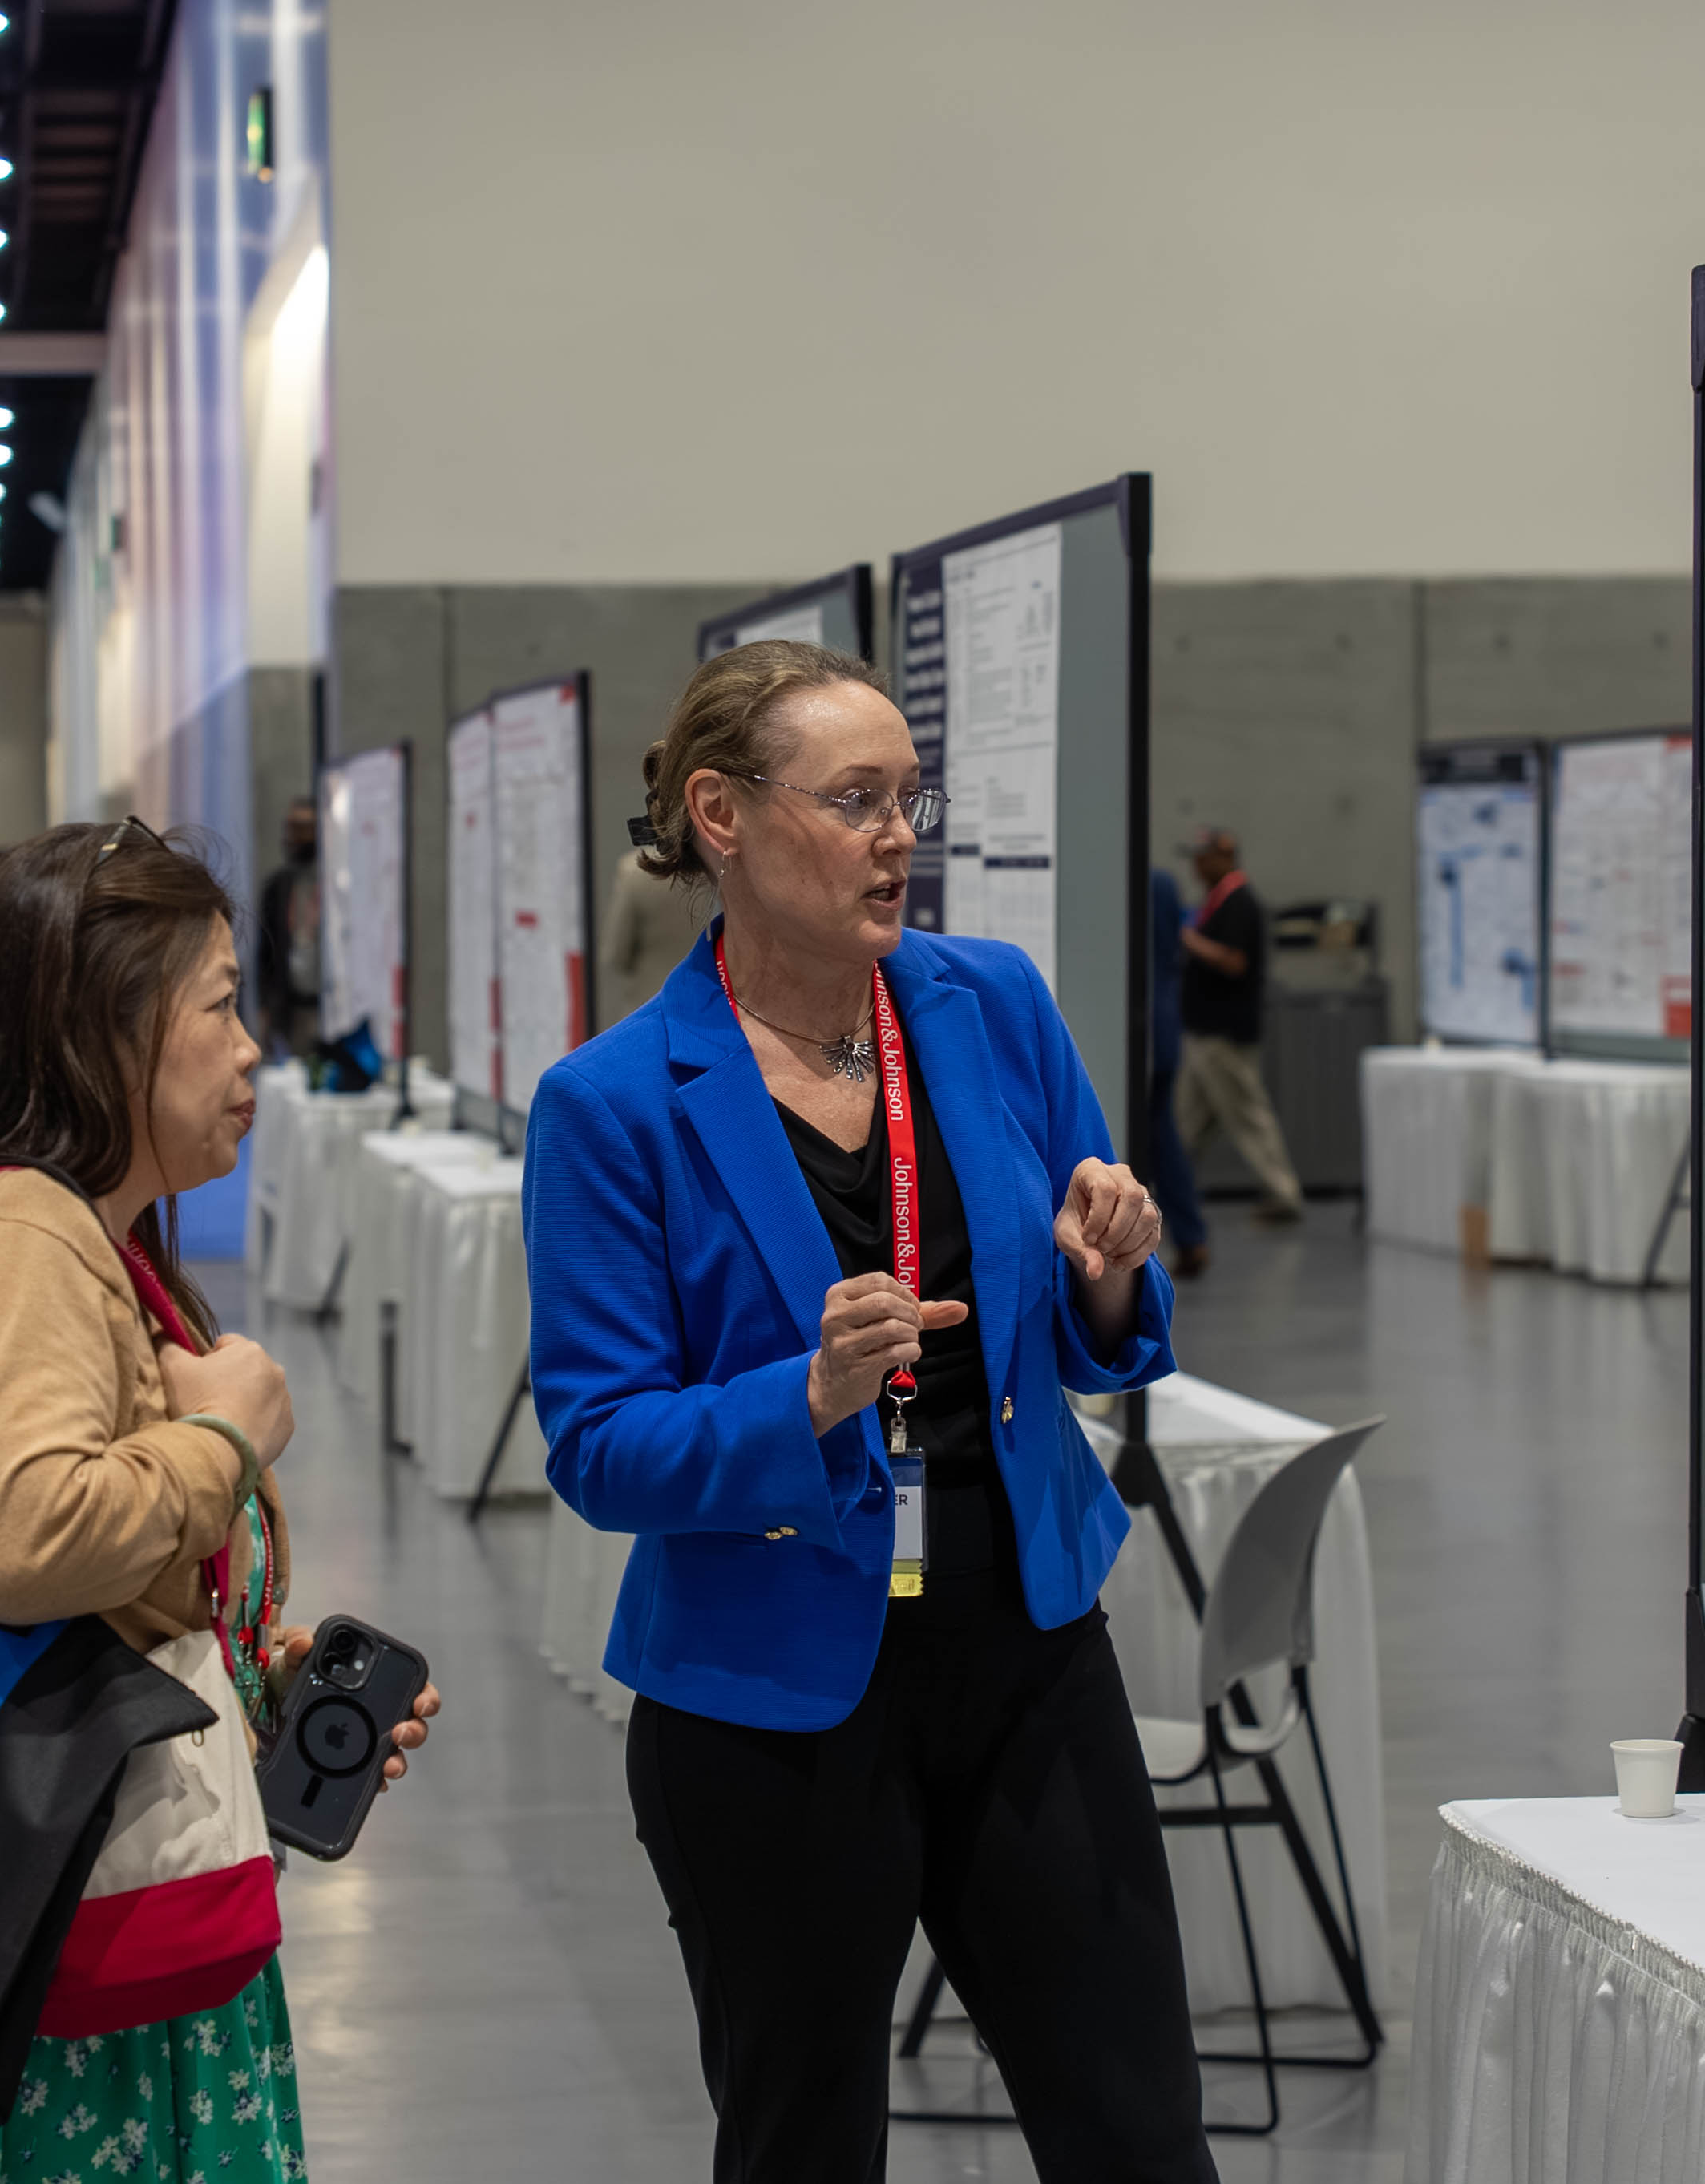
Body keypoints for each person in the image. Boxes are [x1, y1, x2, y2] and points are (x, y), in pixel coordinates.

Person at [523, 642, 1207, 2182]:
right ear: (720, 815)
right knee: (803, 2147)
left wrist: (1102, 1274)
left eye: (913, 797)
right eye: (856, 800)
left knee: (1141, 2138)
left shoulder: (991, 1004)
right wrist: (807, 1392)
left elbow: (1099, 1324)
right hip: (771, 1703)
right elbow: (596, 1442)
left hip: (1025, 1655)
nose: (902, 834)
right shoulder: (615, 1101)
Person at [0, 818, 441, 2182]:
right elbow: (14, 1537)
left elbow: (69, 1586)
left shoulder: (76, 1231)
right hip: (39, 1977)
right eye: (220, 1003)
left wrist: (244, 1689)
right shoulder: (19, 1226)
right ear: (99, 1026)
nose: (251, 1048)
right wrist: (225, 1436)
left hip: (50, 1928)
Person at [1176, 825, 1303, 1223]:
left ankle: (1285, 1194)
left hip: (1223, 1036)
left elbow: (1235, 962)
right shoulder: (1217, 902)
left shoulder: (1239, 903)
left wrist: (1189, 942)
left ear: (1224, 857)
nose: (1196, 866)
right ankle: (1156, 1193)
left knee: (1247, 1116)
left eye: (1203, 857)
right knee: (1183, 1125)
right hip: (1205, 1033)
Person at [1145, 863, 1210, 1279]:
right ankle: (1191, 1237)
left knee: (1153, 1136)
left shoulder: (1128, 880)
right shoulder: (1164, 882)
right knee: (1162, 1134)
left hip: (1143, 1029)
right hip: (1165, 1024)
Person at [598, 843, 713, 1029]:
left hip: (646, 1011)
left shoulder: (633, 870)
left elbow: (615, 953)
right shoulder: (707, 867)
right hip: (698, 1008)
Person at [255, 794, 321, 1055]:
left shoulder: (337, 884)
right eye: (295, 829)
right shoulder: (278, 886)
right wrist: (265, 1009)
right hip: (291, 1007)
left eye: (306, 829)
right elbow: (265, 952)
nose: (299, 838)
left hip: (331, 1007)